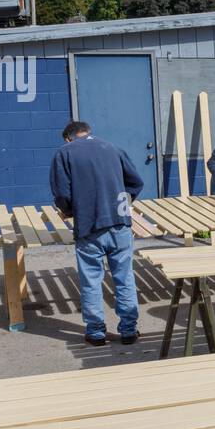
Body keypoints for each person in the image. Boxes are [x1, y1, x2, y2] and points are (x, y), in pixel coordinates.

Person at [50, 121, 144, 346]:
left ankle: (96, 334)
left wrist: (70, 211)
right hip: (120, 223)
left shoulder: (64, 154)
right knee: (124, 277)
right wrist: (120, 204)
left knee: (91, 280)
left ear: (68, 138)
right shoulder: (113, 148)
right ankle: (129, 331)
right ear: (88, 133)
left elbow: (62, 193)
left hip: (89, 226)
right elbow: (136, 183)